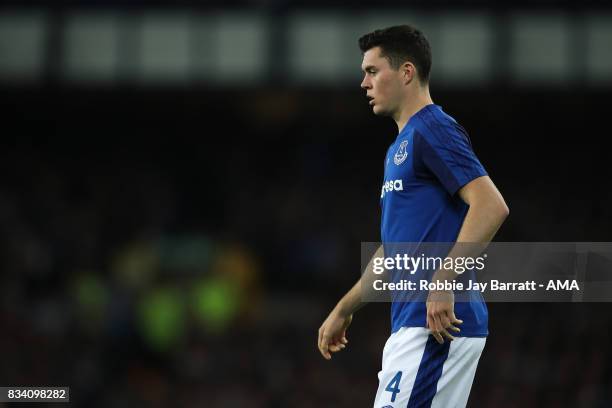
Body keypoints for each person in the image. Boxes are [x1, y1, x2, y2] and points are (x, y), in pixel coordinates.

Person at [317, 25, 509, 407]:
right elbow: (394, 254)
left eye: (372, 71)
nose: (363, 83)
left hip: (434, 326)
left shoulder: (432, 127)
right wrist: (343, 309)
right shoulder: (399, 148)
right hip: (413, 324)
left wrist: (444, 278)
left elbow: (490, 205)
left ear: (406, 72)